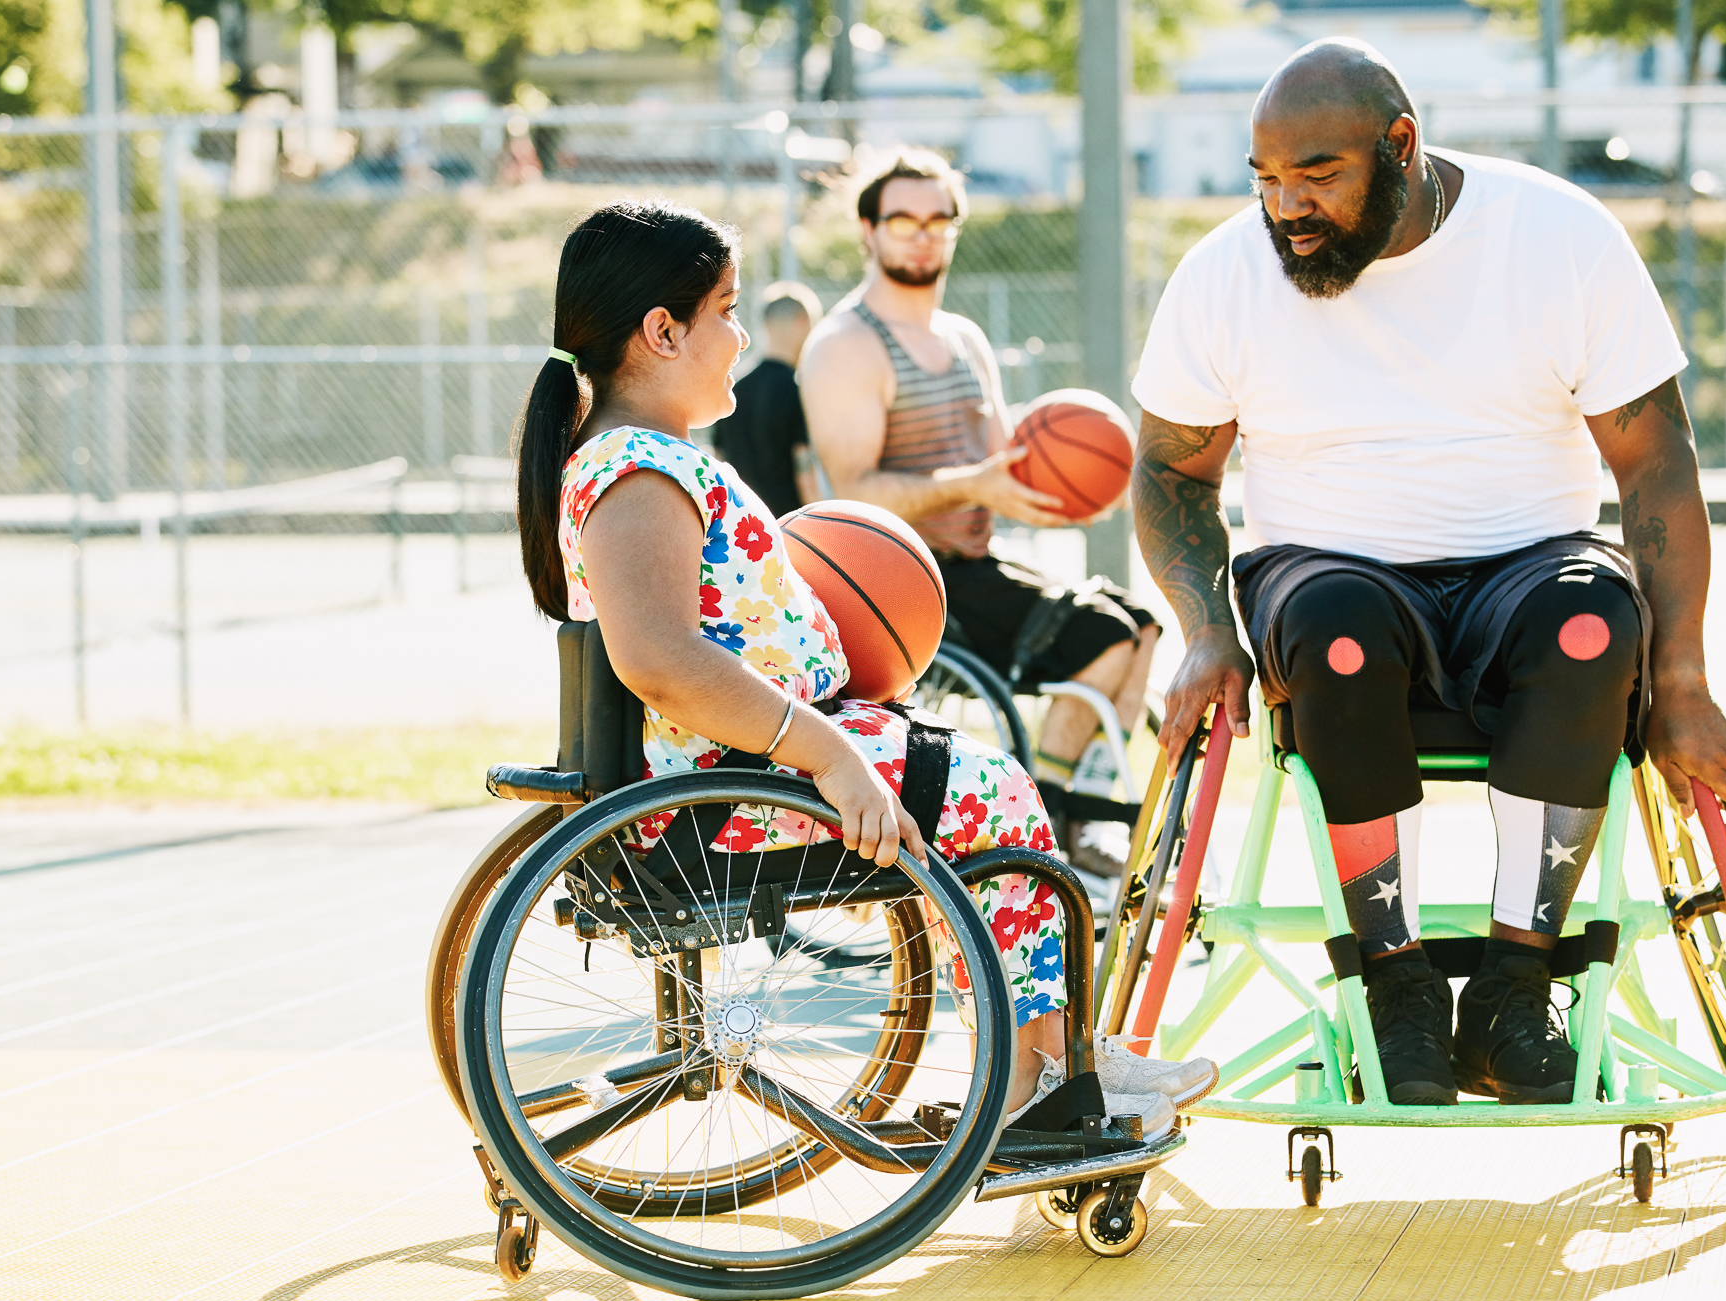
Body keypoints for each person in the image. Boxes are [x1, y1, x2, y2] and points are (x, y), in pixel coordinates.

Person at [1130, 40, 1726, 1106]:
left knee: (1595, 624)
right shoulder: (1228, 271)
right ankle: (1395, 983)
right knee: (1336, 625)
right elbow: (1168, 467)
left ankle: (1517, 987)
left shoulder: (1555, 236)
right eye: (1267, 179)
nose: (1288, 207)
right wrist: (1203, 628)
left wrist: (1685, 684)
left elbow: (1654, 459)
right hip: (1325, 569)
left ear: (1401, 147)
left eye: (1318, 175)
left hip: (1528, 562)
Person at [514, 200, 1217, 1128]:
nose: (737, 335)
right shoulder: (636, 469)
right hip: (730, 795)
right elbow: (659, 660)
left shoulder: (643, 458)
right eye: (724, 311)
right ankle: (1037, 1079)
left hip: (741, 775)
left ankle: (1055, 1056)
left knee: (973, 792)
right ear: (662, 331)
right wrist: (832, 753)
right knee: (995, 795)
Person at [796, 148, 1162, 877]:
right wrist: (975, 485)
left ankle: (1076, 800)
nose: (923, 234)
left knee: (1142, 626)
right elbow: (855, 489)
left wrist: (1065, 487)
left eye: (940, 219)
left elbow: (1003, 463)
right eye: (904, 219)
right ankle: (1052, 817)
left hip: (976, 564)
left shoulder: (963, 338)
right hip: (901, 580)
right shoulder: (848, 344)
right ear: (868, 230)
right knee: (1101, 640)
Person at [710, 281, 823, 517]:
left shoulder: (733, 388)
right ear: (801, 323)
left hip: (740, 522)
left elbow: (717, 458)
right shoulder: (798, 389)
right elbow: (804, 469)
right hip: (788, 523)